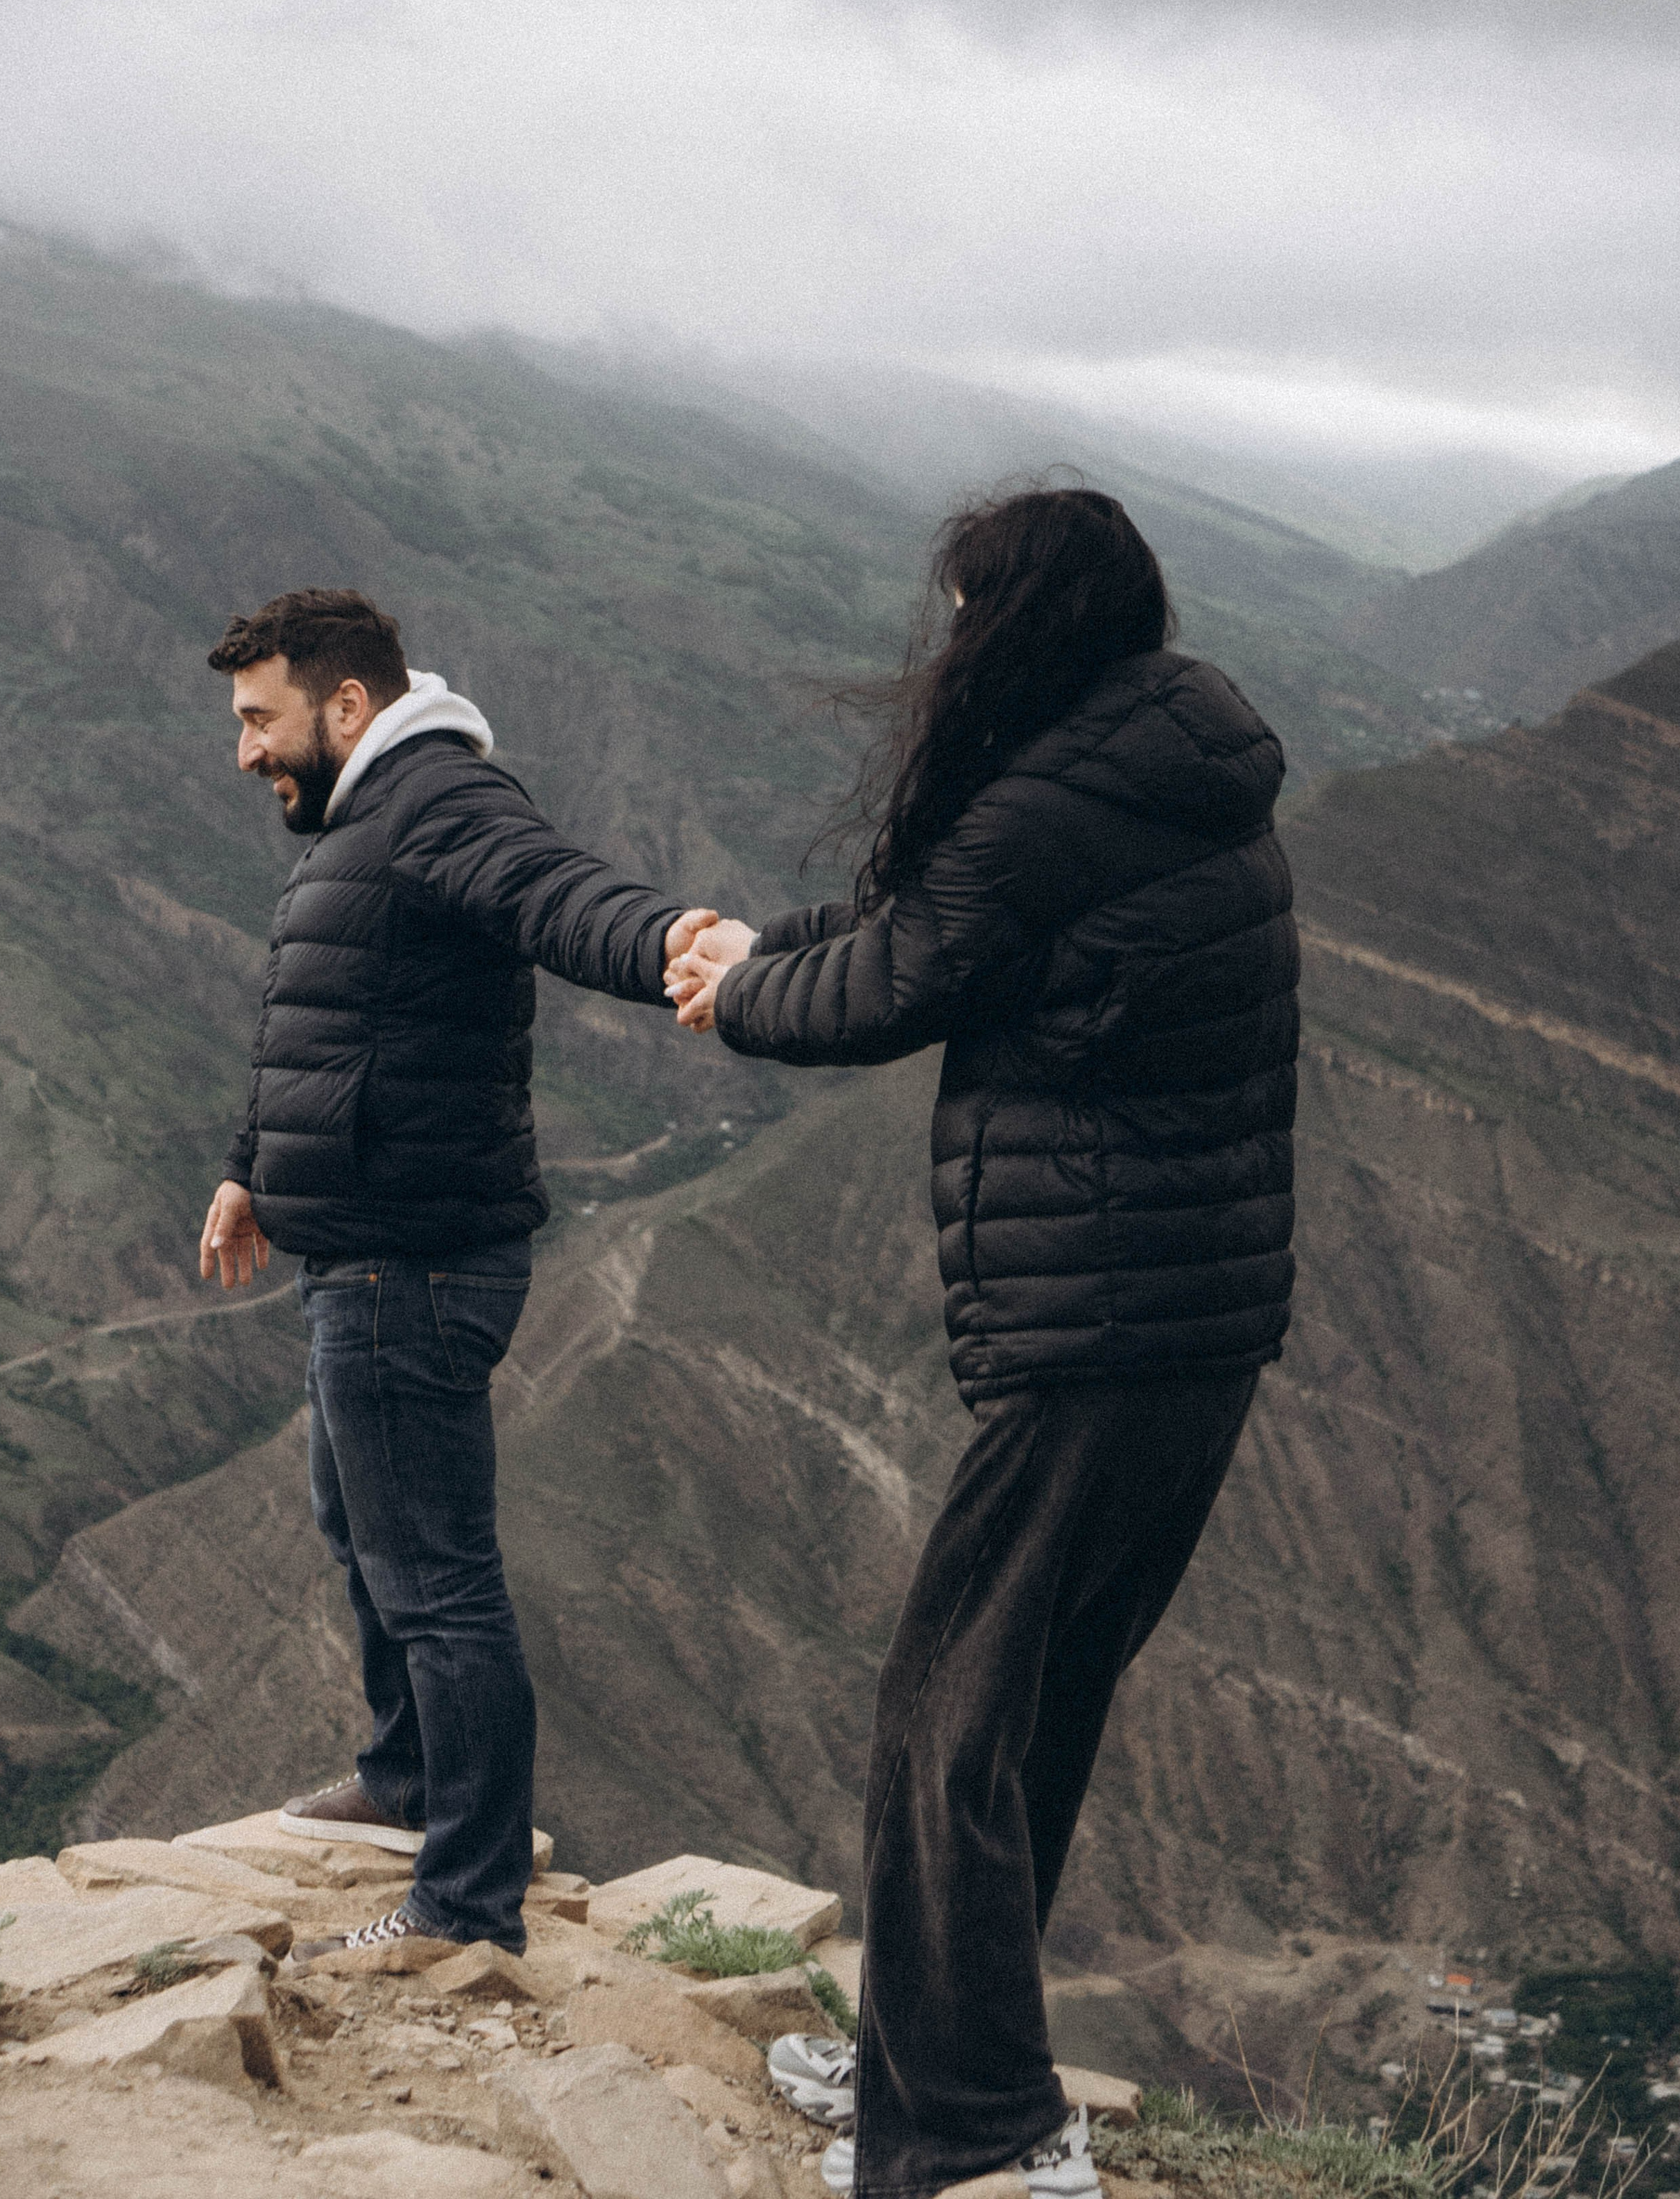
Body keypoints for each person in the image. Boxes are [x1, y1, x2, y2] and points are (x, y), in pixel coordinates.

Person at [667, 488, 1298, 2199]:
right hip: (1195, 1323)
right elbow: (922, 917)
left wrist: (734, 995)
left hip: (1094, 1326)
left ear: (1015, 624)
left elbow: (891, 986)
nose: (945, 646)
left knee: (944, 1719)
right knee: (1030, 1705)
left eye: (962, 613)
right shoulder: (1162, 763)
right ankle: (924, 2069)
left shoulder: (1045, 805)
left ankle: (977, 2131)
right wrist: (758, 940)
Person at [198, 587, 715, 1959]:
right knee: (353, 1522)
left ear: (348, 705)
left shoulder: (433, 802)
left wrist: (671, 941)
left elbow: (557, 895)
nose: (244, 751)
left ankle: (465, 1904)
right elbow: (323, 1011)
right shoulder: (364, 815)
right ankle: (406, 1774)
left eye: (261, 720)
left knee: (434, 1577)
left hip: (410, 1266)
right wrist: (254, 1163)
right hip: (364, 1248)